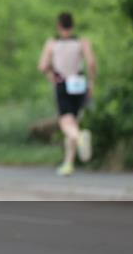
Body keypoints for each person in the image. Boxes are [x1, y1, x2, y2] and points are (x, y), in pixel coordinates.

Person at [37, 11, 97, 176]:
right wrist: (91, 83)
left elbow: (42, 66)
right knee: (73, 121)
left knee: (65, 123)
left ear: (59, 25)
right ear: (72, 25)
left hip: (62, 82)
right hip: (79, 82)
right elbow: (91, 63)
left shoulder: (52, 43)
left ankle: (80, 137)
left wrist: (51, 75)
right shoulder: (82, 42)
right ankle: (68, 163)